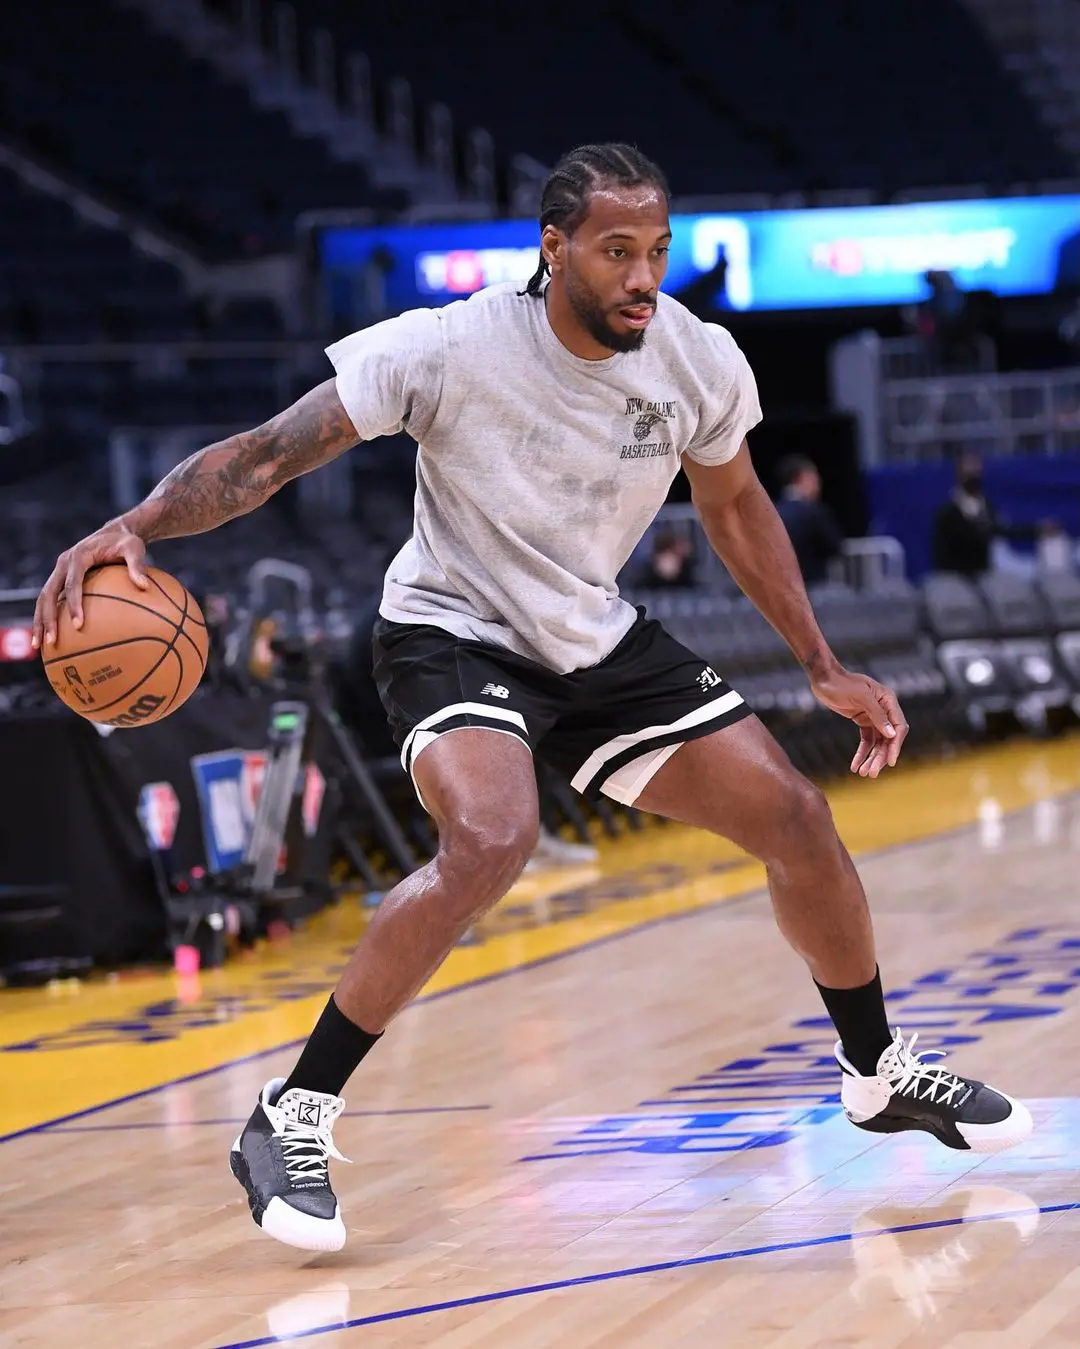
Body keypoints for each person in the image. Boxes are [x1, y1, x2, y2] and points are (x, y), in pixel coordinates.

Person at [33, 143, 1032, 1254]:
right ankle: (291, 1113)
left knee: (797, 815)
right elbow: (267, 456)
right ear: (552, 248)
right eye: (616, 251)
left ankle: (875, 1068)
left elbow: (739, 506)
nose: (643, 275)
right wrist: (139, 526)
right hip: (449, 629)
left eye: (655, 250)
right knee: (495, 835)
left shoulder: (694, 357)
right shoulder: (446, 345)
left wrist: (820, 660)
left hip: (591, 635)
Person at [932, 453, 1036, 578]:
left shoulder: (986, 505)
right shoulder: (947, 512)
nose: (974, 477)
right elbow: (941, 553)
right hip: (957, 577)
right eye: (970, 474)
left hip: (983, 575)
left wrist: (1037, 530)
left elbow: (1002, 529)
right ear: (959, 475)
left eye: (977, 473)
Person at [773, 455, 844, 585]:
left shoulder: (771, 514)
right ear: (802, 477)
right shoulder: (814, 513)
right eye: (814, 478)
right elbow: (835, 548)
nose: (818, 484)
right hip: (815, 588)